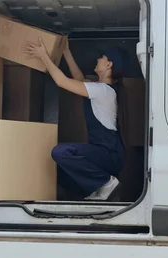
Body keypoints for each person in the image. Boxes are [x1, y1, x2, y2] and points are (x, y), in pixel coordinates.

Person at [23, 39, 128, 201]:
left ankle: (106, 182)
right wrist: (66, 52)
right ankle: (94, 189)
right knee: (60, 169)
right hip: (103, 153)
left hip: (108, 155)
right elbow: (79, 81)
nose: (98, 59)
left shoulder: (103, 91)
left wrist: (44, 56)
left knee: (60, 152)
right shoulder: (100, 89)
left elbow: (62, 82)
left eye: (102, 57)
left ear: (109, 65)